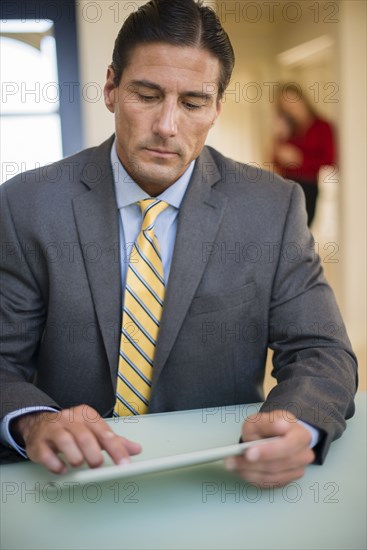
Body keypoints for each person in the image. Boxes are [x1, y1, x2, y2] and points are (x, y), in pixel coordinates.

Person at [0, 0, 357, 487]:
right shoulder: (26, 205)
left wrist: (298, 421)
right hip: (68, 481)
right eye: (146, 95)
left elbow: (321, 349)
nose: (167, 125)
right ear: (110, 88)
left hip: (218, 481)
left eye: (192, 103)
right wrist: (33, 419)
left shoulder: (271, 208)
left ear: (216, 108)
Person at [272, 82, 336, 226]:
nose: (290, 107)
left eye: (292, 101)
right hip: (285, 185)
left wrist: (300, 158)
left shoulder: (322, 127)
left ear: (302, 99)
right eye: (285, 105)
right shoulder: (288, 130)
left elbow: (329, 159)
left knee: (301, 230)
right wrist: (278, 137)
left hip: (308, 186)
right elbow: (274, 162)